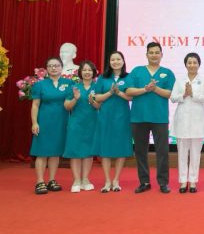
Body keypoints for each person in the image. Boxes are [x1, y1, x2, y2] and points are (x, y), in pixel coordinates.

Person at [125, 42, 175, 194]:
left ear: (161, 55)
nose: (154, 55)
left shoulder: (167, 73)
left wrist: (155, 88)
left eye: (157, 52)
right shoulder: (137, 71)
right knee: (140, 151)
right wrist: (145, 89)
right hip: (138, 118)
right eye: (151, 52)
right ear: (146, 55)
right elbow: (128, 91)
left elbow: (170, 94)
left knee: (162, 151)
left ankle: (163, 182)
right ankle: (144, 182)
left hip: (160, 118)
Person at [30, 57, 73, 194]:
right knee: (41, 152)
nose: (54, 68)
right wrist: (34, 122)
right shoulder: (40, 85)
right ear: (46, 69)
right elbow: (35, 105)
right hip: (44, 122)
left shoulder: (69, 83)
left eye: (56, 65)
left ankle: (52, 180)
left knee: (55, 153)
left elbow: (71, 103)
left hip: (62, 122)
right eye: (50, 66)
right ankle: (40, 181)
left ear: (61, 67)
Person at [92, 51, 133, 193]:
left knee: (121, 147)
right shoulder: (103, 78)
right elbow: (97, 98)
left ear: (123, 61)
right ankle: (107, 181)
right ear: (109, 62)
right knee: (105, 148)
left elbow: (131, 97)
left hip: (122, 116)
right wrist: (110, 92)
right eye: (112, 60)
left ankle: (116, 180)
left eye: (118, 59)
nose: (115, 62)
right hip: (105, 116)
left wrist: (119, 92)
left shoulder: (129, 77)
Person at [170, 52, 204, 194]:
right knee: (182, 154)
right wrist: (184, 94)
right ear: (185, 65)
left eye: (195, 62)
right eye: (189, 62)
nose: (192, 65)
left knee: (195, 154)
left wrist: (193, 94)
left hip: (197, 121)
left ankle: (193, 181)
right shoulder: (179, 80)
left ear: (199, 64)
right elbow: (173, 98)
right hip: (182, 120)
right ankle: (183, 181)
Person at [63, 61, 100, 193]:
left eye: (89, 70)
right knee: (75, 152)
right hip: (76, 123)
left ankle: (85, 179)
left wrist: (92, 101)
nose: (87, 72)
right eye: (84, 70)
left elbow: (100, 106)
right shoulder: (74, 87)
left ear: (93, 72)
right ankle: (77, 180)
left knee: (88, 152)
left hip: (92, 123)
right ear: (80, 72)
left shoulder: (98, 87)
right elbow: (67, 106)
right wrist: (76, 98)